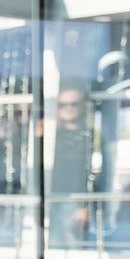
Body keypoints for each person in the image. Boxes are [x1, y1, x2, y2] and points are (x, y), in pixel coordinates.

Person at [48, 82, 94, 248]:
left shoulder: (88, 136)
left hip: (74, 201)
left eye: (74, 104)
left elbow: (92, 173)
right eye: (63, 105)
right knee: (52, 245)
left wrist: (85, 205)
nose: (69, 108)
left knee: (73, 246)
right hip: (49, 197)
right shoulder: (52, 135)